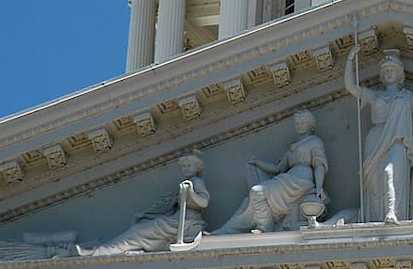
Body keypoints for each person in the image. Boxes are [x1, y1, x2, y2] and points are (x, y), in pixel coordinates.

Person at [344, 46, 413, 223]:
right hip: (375, 139)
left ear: (399, 74)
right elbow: (350, 87)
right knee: (374, 184)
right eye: (386, 71)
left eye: (393, 70)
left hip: (398, 140)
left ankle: (393, 212)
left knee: (390, 173)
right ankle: (375, 219)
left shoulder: (408, 98)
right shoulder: (375, 96)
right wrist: (350, 60)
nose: (389, 73)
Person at [213, 109, 327, 234]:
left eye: (302, 123)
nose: (299, 126)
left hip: (301, 180)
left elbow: (319, 165)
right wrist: (258, 163)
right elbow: (277, 169)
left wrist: (319, 188)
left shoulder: (314, 142)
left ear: (310, 125)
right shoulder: (293, 147)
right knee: (254, 195)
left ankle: (264, 227)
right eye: (297, 123)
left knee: (257, 192)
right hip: (287, 179)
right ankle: (240, 229)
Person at [79, 151, 209, 255]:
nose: (186, 169)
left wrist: (190, 192)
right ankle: (101, 249)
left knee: (137, 232)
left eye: (189, 166)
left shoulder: (196, 182)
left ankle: (98, 252)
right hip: (174, 221)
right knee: (139, 227)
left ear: (196, 168)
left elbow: (204, 203)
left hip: (185, 222)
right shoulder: (188, 183)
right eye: (184, 167)